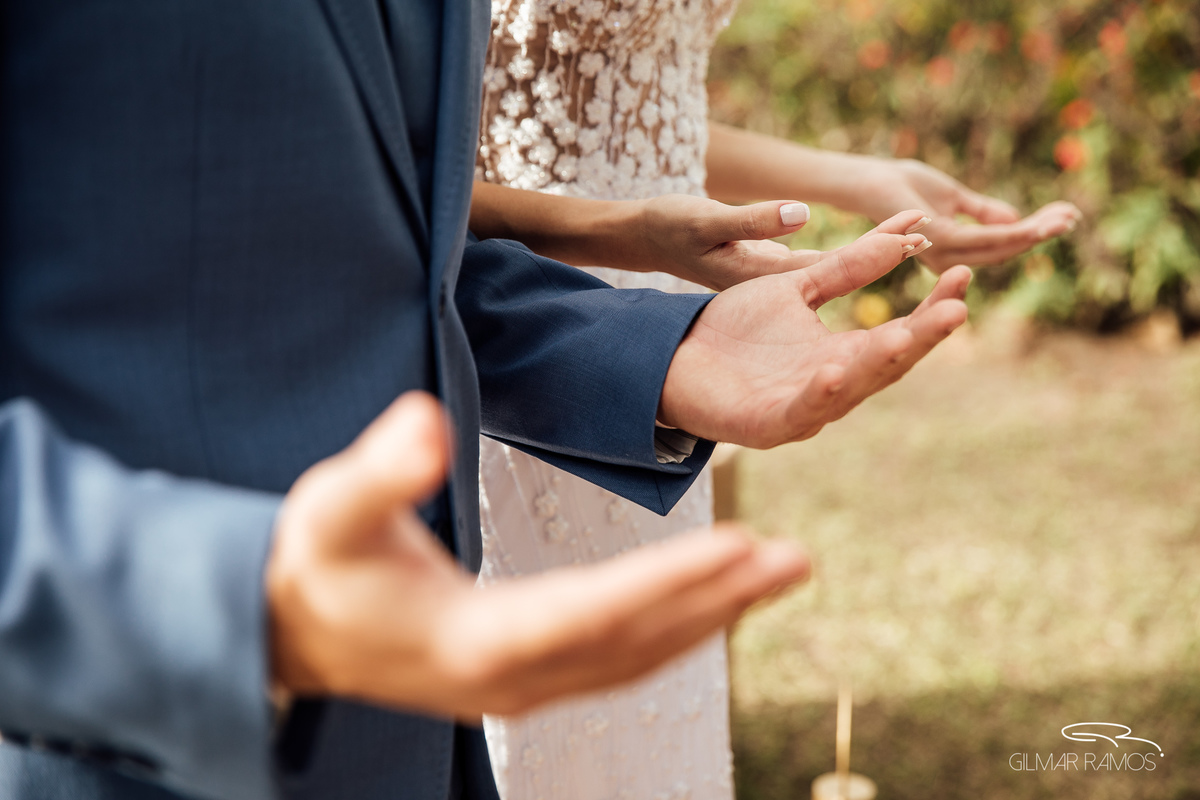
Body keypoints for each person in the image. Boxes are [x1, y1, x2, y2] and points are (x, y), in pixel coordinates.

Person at [0, 3, 968, 800]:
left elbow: (387, 229)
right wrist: (254, 604)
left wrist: (651, 353)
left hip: (424, 717)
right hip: (132, 728)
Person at [471, 0, 1081, 797]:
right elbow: (420, 163)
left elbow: (635, 103)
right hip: (532, 326)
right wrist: (626, 232)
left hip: (686, 283)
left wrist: (862, 179)